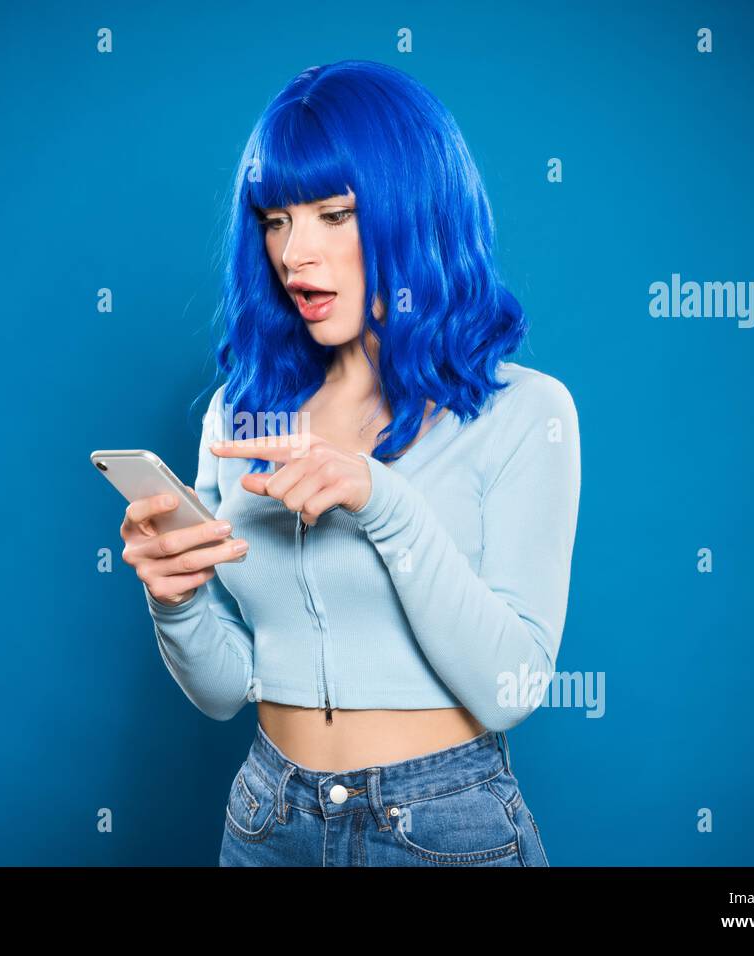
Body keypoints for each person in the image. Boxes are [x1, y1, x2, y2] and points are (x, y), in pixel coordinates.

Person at [118, 60, 580, 866]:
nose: (294, 253)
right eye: (275, 219)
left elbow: (514, 685)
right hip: (267, 820)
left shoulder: (525, 412)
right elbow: (227, 691)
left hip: (443, 826)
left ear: (417, 213)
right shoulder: (241, 414)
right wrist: (176, 600)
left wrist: (382, 499)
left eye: (334, 214)